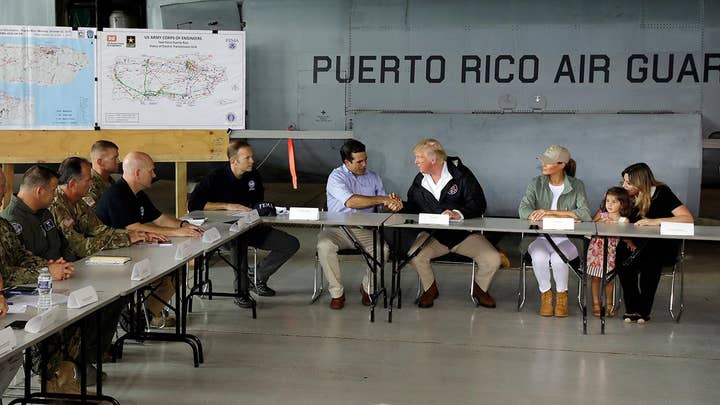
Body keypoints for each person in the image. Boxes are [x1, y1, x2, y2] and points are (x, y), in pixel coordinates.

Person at [96, 151, 204, 327]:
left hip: (134, 251)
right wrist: (176, 233)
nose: (154, 175)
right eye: (151, 171)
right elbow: (134, 226)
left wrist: (183, 225)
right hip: (114, 257)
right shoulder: (117, 194)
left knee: (179, 271)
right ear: (137, 173)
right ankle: (137, 318)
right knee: (164, 279)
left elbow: (159, 218)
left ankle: (143, 315)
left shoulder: (138, 193)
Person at [188, 140, 299, 304]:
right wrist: (226, 206)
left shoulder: (253, 175)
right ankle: (241, 292)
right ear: (233, 161)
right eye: (247, 158)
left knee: (290, 243)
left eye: (252, 157)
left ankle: (257, 276)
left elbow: (258, 201)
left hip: (251, 225)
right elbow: (193, 205)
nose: (252, 161)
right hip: (224, 231)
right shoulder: (215, 178)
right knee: (239, 243)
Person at [0, 169, 80, 394]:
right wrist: (46, 271)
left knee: (68, 318)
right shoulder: (12, 219)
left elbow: (21, 255)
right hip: (10, 300)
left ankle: (60, 384)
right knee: (47, 325)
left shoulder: (1, 225)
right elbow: (5, 272)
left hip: (16, 297)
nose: (3, 191)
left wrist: (51, 267)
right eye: (0, 186)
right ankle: (51, 384)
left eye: (4, 185)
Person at [403, 138, 500, 309]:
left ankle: (479, 289)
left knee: (493, 259)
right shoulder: (419, 180)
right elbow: (413, 206)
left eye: (419, 157)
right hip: (433, 236)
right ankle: (430, 290)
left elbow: (478, 204)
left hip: (463, 235)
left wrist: (457, 214)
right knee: (415, 255)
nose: (415, 161)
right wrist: (400, 206)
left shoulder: (462, 175)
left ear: (433, 160)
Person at [317, 139, 402, 309]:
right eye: (359, 161)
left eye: (366, 160)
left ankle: (368, 287)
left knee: (382, 250)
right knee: (324, 246)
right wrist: (383, 199)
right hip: (336, 228)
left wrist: (393, 204)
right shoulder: (336, 177)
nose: (365, 164)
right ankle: (337, 293)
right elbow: (351, 202)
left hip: (364, 229)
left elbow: (383, 206)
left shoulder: (373, 177)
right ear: (347, 162)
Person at [518, 145, 592, 317]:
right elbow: (523, 209)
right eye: (543, 161)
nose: (544, 164)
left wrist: (550, 212)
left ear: (562, 165)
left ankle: (561, 298)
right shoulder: (535, 183)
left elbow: (585, 214)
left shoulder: (577, 185)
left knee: (559, 259)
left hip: (569, 239)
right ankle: (545, 295)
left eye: (548, 162)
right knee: (539, 256)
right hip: (538, 238)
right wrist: (536, 215)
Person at [615, 162, 693, 324]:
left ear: (641, 181)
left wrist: (654, 221)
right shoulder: (628, 196)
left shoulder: (662, 193)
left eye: (628, 183)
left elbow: (687, 219)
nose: (624, 186)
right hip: (634, 244)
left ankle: (643, 309)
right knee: (622, 258)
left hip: (660, 246)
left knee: (651, 261)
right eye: (623, 182)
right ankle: (632, 306)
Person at [0, 165, 76, 262]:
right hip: (41, 274)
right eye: (53, 190)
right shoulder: (12, 221)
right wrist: (50, 269)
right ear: (39, 191)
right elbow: (21, 263)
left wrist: (72, 265)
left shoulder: (45, 213)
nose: (56, 194)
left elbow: (63, 246)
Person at [585, 187, 632, 317]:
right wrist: (600, 221)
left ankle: (609, 305)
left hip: (611, 253)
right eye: (608, 201)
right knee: (595, 278)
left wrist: (629, 242)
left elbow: (625, 236)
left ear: (622, 203)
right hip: (596, 251)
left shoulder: (624, 220)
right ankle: (595, 303)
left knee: (609, 279)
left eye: (614, 202)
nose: (609, 204)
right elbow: (590, 227)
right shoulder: (602, 214)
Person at [87, 139, 120, 204]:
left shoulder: (111, 180)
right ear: (100, 162)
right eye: (114, 158)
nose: (118, 161)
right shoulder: (89, 186)